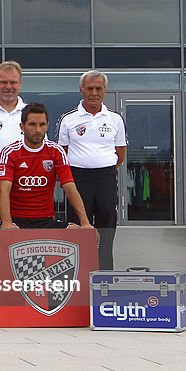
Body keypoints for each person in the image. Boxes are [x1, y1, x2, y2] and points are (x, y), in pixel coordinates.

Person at [56, 70, 127, 268]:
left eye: (98, 88)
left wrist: (102, 165)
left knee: (106, 219)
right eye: (90, 88)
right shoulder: (68, 119)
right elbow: (63, 152)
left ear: (105, 90)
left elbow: (120, 153)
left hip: (105, 176)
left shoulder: (115, 119)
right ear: (81, 90)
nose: (94, 92)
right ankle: (79, 268)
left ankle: (105, 269)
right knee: (78, 222)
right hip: (78, 178)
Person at [0, 103, 93, 230]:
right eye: (32, 124)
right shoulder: (10, 152)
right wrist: (7, 223)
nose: (38, 130)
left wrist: (85, 223)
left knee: (78, 232)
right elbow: (3, 190)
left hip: (46, 220)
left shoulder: (56, 152)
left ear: (47, 125)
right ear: (22, 126)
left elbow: (70, 188)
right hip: (16, 220)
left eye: (42, 124)